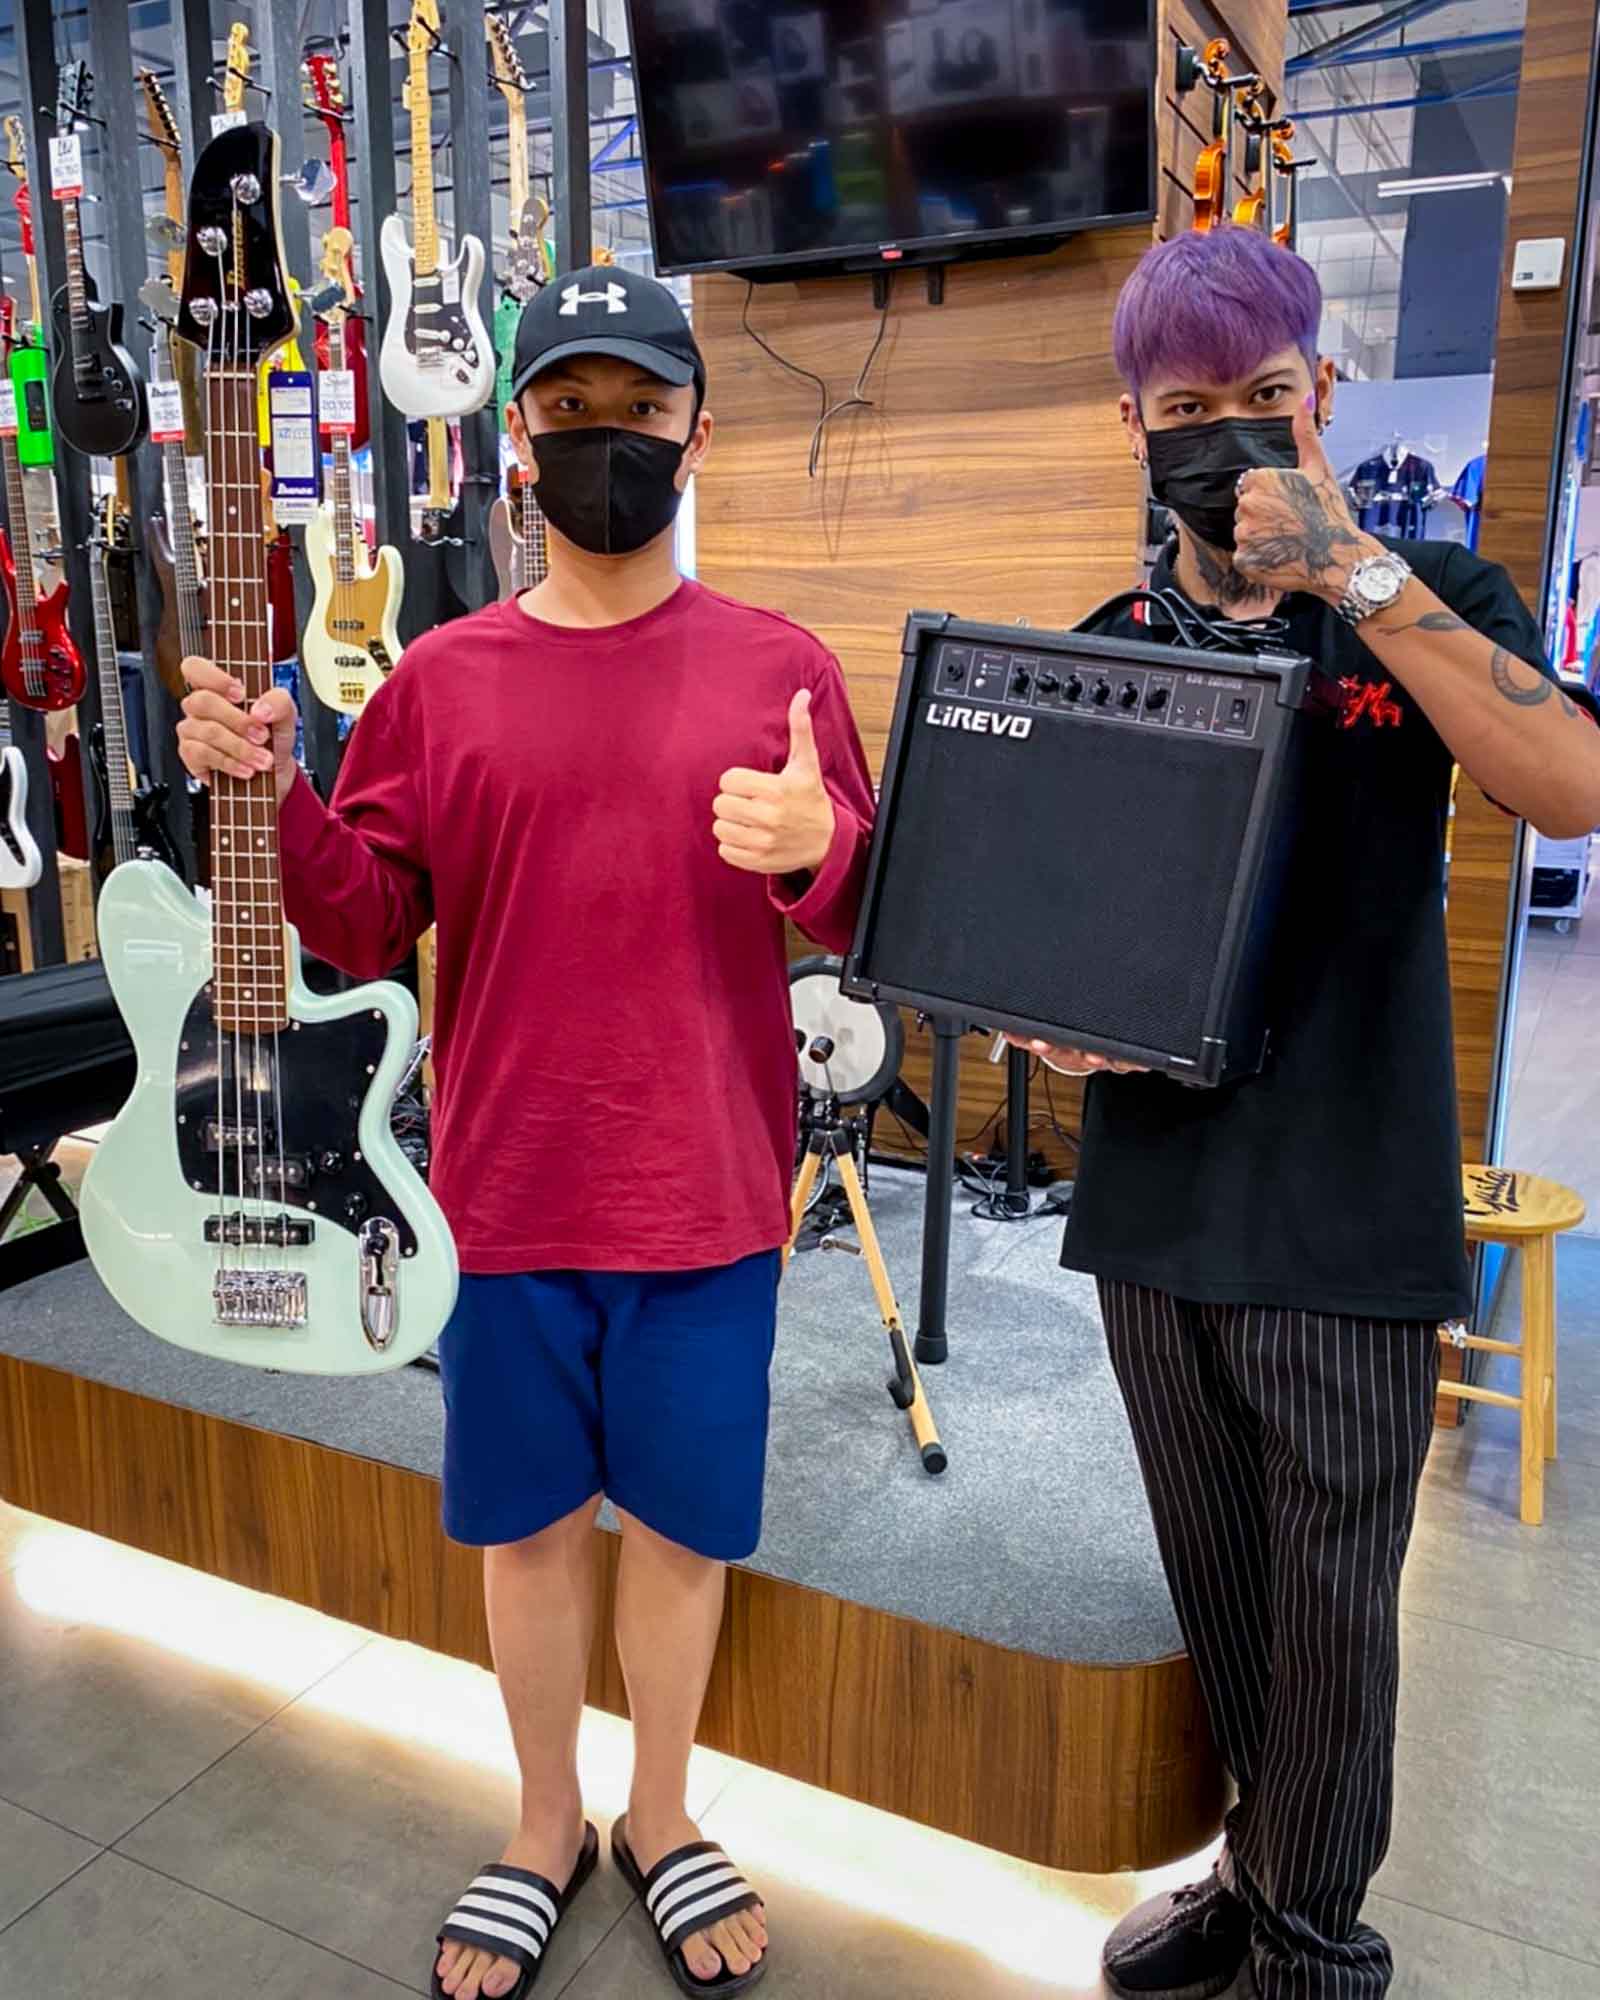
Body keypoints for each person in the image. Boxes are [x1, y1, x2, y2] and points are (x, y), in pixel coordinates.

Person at [177, 266, 877, 2000]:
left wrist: (819, 853)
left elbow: (873, 913)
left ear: (696, 431)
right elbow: (363, 922)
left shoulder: (784, 671)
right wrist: (272, 794)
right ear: (517, 439)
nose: (604, 439)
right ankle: (544, 1822)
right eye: (570, 408)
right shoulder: (439, 683)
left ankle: (663, 1812)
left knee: (686, 1535)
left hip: (708, 1194)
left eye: (639, 408)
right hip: (503, 1194)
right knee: (530, 1530)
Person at [1021, 227, 1600, 2000]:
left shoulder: (1434, 598)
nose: (1227, 434)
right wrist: (1060, 1026)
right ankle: (1255, 1869)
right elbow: (1064, 917)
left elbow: (1569, 782)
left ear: (1321, 393)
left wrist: (1349, 567)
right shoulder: (1111, 641)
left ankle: (1315, 1948)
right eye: (1186, 407)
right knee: (1221, 1587)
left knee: (1337, 1611)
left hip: (1348, 1203)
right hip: (1157, 1206)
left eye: (1264, 394)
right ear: (1134, 425)